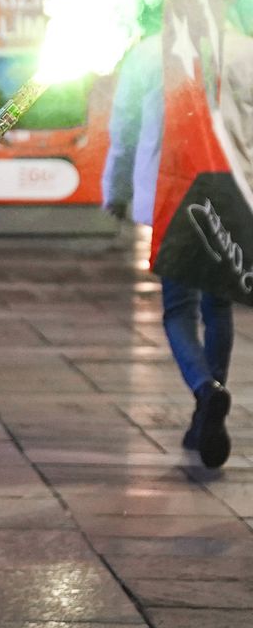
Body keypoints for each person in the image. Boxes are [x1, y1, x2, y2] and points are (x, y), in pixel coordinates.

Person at [103, 31, 252, 469]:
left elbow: (125, 125)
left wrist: (116, 186)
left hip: (172, 194)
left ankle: (207, 391)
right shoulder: (243, 48)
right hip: (229, 191)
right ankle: (208, 408)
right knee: (217, 306)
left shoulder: (149, 52)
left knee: (178, 310)